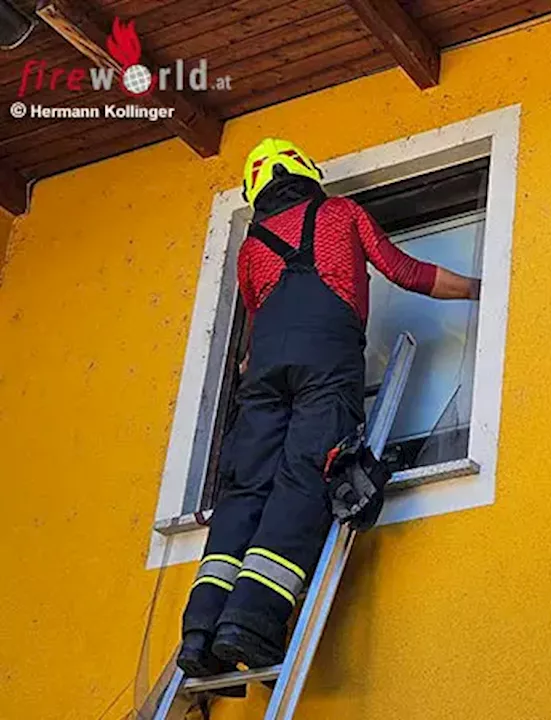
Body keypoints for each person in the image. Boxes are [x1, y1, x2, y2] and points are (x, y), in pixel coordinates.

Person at [177, 138, 481, 676]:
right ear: (303, 172)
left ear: (257, 188)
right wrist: (487, 287)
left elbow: (251, 338)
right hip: (326, 357)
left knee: (246, 486)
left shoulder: (252, 248)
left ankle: (201, 631)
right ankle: (252, 619)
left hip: (266, 369)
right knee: (306, 475)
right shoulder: (340, 212)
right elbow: (406, 272)